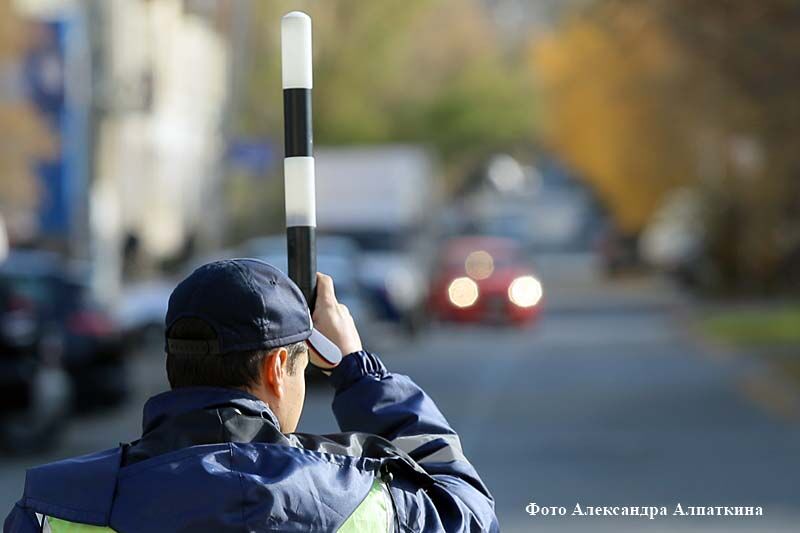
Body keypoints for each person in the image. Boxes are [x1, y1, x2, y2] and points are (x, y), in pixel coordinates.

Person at [4, 259, 498, 532]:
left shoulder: (55, 509)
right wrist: (358, 372)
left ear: (175, 365)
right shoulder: (368, 500)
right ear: (278, 367)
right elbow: (471, 513)